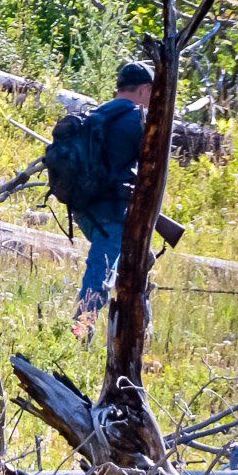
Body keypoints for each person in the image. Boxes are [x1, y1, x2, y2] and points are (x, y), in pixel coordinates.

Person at [66, 61, 154, 332]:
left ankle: (136, 326)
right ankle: (81, 330)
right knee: (101, 275)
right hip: (111, 211)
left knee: (138, 259)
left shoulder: (96, 114)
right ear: (144, 89)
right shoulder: (136, 120)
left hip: (82, 207)